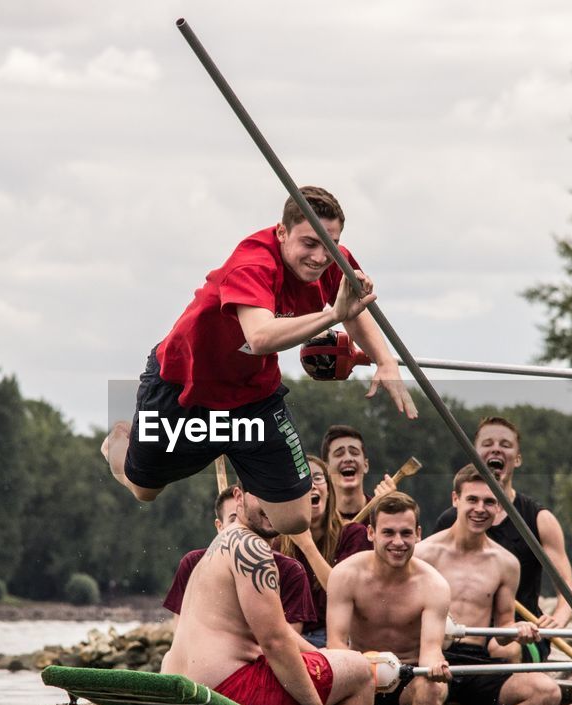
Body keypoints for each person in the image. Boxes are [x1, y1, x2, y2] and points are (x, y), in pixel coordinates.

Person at [103, 187, 417, 536]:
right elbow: (261, 337)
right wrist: (332, 317)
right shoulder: (253, 263)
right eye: (309, 243)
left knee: (294, 519)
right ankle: (119, 441)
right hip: (183, 389)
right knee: (144, 489)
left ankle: (244, 496)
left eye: (330, 243)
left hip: (253, 398)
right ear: (282, 232)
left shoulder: (333, 261)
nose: (320, 256)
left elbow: (353, 308)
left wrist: (384, 360)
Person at [161, 485, 374, 705]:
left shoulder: (221, 545)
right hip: (226, 691)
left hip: (188, 685)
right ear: (239, 497)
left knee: (338, 662)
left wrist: (324, 655)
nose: (273, 504)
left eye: (280, 495)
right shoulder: (252, 548)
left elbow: (277, 630)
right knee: (360, 670)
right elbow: (274, 642)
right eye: (261, 494)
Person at [416, 465, 561, 705]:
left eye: (489, 502)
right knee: (430, 689)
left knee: (548, 691)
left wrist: (517, 631)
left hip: (477, 662)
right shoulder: (423, 554)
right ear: (455, 500)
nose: (480, 509)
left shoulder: (506, 563)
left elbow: (503, 628)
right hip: (433, 656)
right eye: (472, 499)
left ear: (499, 507)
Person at [433, 416, 572, 662]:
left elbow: (569, 591)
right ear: (474, 453)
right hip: (462, 633)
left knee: (501, 648)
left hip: (521, 634)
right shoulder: (450, 520)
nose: (496, 449)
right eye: (488, 443)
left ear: (518, 458)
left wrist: (558, 620)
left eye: (505, 444)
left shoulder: (539, 519)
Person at [325, 491, 452, 705]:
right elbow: (336, 644)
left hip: (410, 678)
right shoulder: (345, 575)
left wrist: (436, 665)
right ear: (371, 533)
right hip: (361, 675)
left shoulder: (434, 585)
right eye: (388, 533)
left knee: (433, 689)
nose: (398, 542)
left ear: (418, 534)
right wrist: (362, 672)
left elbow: (431, 650)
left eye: (406, 533)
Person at [164, 485, 316, 634]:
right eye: (234, 519)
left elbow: (287, 642)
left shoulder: (291, 572)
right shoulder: (194, 563)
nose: (242, 527)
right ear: (220, 527)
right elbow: (180, 631)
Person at [274, 455, 372, 646]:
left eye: (317, 478)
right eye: (301, 480)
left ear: (329, 489)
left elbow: (342, 592)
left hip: (342, 638)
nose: (311, 485)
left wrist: (307, 546)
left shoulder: (353, 535)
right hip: (295, 640)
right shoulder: (278, 545)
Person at [320, 424, 397, 521]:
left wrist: (392, 511)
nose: (348, 458)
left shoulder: (381, 514)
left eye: (354, 453)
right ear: (326, 468)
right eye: (339, 454)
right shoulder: (316, 520)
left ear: (366, 465)